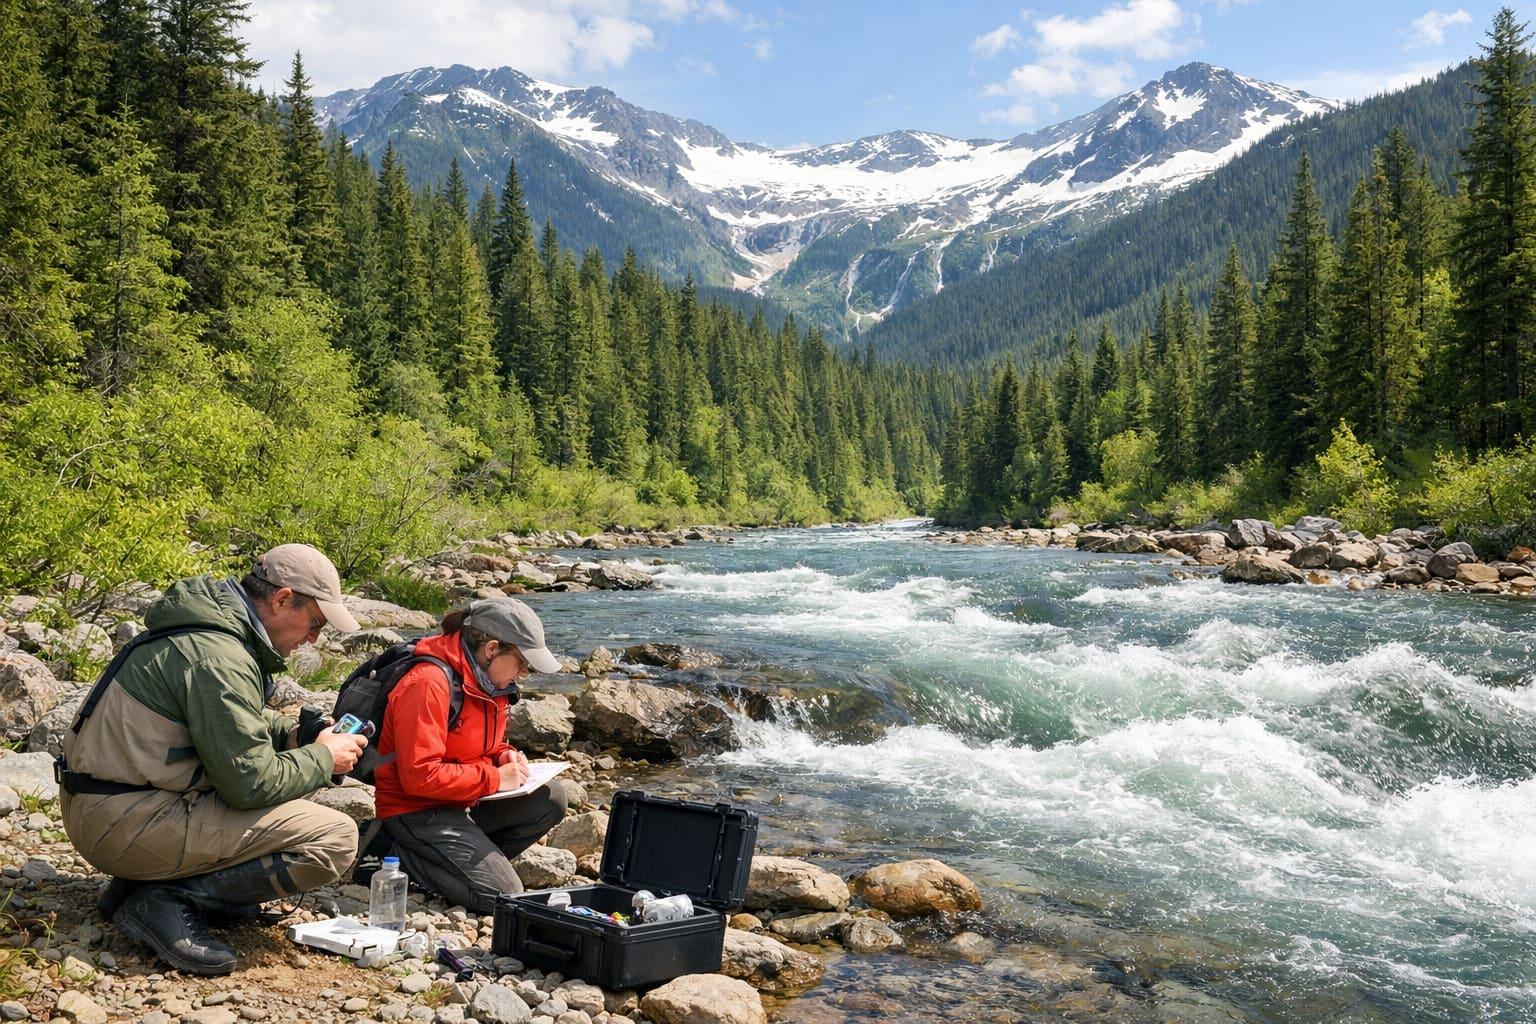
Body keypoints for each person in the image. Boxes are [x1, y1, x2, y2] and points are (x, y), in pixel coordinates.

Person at [57, 544, 368, 975]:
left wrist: (295, 734)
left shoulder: (206, 631)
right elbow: (251, 784)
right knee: (334, 837)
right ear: (281, 599)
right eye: (314, 623)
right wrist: (322, 758)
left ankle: (139, 884)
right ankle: (165, 900)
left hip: (107, 807)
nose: (314, 638)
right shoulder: (219, 656)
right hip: (122, 822)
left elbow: (233, 720)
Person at [368, 597, 568, 914]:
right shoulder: (428, 684)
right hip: (416, 811)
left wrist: (505, 755)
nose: (523, 674)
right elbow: (419, 776)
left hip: (463, 801)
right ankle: (393, 857)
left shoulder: (487, 680)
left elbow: (482, 745)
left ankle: (460, 863)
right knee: (504, 896)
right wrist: (495, 779)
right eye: (523, 664)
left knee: (551, 799)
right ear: (491, 649)